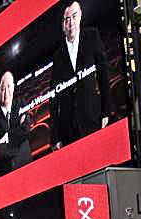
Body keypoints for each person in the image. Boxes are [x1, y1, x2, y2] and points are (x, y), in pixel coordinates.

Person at [50, 1, 111, 149]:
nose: (70, 22)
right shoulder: (57, 55)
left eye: (74, 16)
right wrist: (55, 136)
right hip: (69, 128)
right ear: (62, 24)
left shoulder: (92, 36)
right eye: (66, 19)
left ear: (80, 17)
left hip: (92, 117)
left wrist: (106, 112)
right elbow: (54, 97)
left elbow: (103, 75)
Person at [0, 71, 32, 177]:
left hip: (25, 164)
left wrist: (7, 137)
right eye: (2, 88)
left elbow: (26, 129)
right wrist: (17, 135)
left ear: (13, 87)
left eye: (8, 86)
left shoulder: (21, 104)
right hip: (5, 173)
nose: (6, 91)